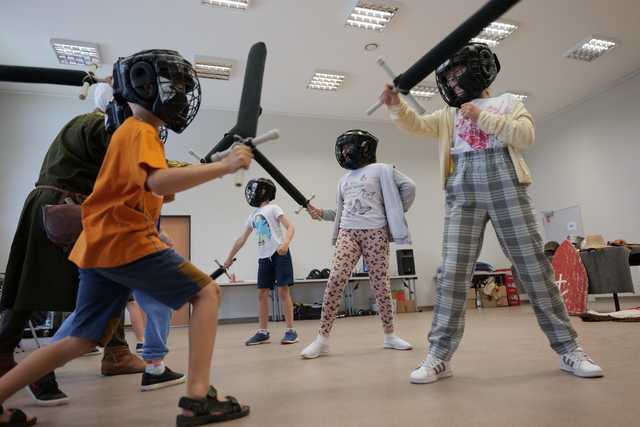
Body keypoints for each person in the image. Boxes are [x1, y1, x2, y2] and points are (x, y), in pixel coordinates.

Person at [0, 49, 252, 426]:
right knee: (206, 292)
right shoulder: (140, 129)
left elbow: (146, 188)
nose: (181, 95)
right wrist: (224, 166)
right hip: (123, 241)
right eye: (175, 86)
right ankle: (197, 399)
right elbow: (158, 179)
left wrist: (213, 164)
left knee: (81, 338)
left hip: (99, 245)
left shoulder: (128, 133)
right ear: (146, 87)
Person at [380, 42, 603, 384]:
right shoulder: (448, 115)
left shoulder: (510, 102)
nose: (453, 81)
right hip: (462, 189)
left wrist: (482, 115)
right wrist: (396, 108)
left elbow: (525, 135)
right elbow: (418, 126)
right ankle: (439, 356)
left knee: (534, 269)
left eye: (457, 73)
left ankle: (568, 350)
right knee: (452, 274)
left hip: (506, 185)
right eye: (449, 77)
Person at [0, 81, 145, 408]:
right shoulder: (99, 125)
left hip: (51, 206)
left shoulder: (79, 123)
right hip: (66, 210)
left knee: (29, 284)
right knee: (99, 284)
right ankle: (47, 367)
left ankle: (6, 352)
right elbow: (131, 172)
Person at [300, 129, 415, 359]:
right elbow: (342, 211)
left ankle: (390, 335)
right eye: (341, 149)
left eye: (347, 148)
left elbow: (409, 187)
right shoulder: (343, 180)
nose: (343, 152)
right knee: (335, 279)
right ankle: (322, 339)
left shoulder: (382, 169)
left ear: (363, 148)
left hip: (375, 232)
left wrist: (393, 210)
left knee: (380, 284)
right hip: (347, 232)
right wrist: (321, 213)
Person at [223, 178, 298, 346]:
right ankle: (263, 332)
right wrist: (228, 259)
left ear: (264, 192)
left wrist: (285, 244)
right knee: (262, 293)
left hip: (279, 253)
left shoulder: (273, 208)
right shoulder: (253, 216)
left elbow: (291, 227)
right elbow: (241, 239)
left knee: (283, 292)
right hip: (264, 257)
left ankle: (291, 331)